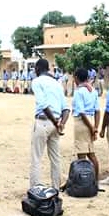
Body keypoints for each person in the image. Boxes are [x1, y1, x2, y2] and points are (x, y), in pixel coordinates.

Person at [30, 59, 70, 189]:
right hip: (56, 123)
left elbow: (43, 104)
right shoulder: (57, 83)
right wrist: (61, 124)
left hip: (43, 121)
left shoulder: (36, 82)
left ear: (37, 69)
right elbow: (66, 108)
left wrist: (54, 121)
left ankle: (35, 189)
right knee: (55, 158)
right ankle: (56, 188)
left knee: (36, 158)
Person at [72, 68, 100, 180]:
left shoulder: (79, 92)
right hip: (91, 120)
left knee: (81, 154)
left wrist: (91, 128)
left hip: (82, 123)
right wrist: (95, 127)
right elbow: (97, 111)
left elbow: (81, 113)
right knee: (91, 153)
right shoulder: (93, 91)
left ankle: (82, 181)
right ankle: (96, 179)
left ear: (76, 78)